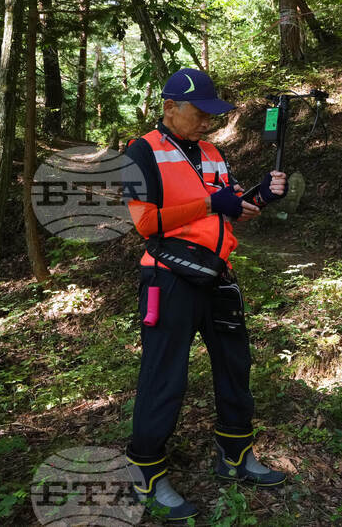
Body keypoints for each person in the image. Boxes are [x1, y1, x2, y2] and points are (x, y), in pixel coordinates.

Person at [122, 68, 288, 521]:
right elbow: (146, 223)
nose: (207, 122)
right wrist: (213, 203)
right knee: (164, 374)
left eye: (212, 114)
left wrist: (262, 197)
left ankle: (234, 455)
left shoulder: (212, 152)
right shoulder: (141, 152)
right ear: (169, 107)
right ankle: (147, 472)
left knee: (236, 366)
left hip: (217, 274)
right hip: (169, 278)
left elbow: (234, 206)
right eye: (199, 112)